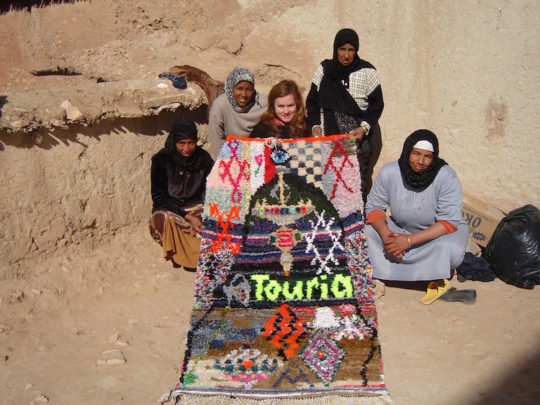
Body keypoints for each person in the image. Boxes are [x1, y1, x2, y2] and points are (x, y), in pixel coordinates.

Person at [365, 129, 469, 305]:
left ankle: (388, 270)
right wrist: (387, 236)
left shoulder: (446, 176)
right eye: (416, 154)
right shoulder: (390, 171)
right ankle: (430, 271)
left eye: (427, 156)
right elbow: (374, 208)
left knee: (452, 250)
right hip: (398, 229)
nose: (421, 161)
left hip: (434, 235)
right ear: (407, 152)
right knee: (364, 232)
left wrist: (408, 241)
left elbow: (448, 222)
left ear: (434, 157)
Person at [306, 28, 384, 202]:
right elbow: (312, 102)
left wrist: (363, 128)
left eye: (350, 50)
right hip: (327, 140)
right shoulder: (324, 69)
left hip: (354, 141)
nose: (346, 55)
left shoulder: (368, 72)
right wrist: (316, 126)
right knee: (326, 188)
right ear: (335, 49)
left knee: (352, 188)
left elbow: (377, 106)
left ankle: (354, 227)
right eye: (342, 49)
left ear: (356, 50)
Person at [149, 117, 214, 270]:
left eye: (191, 142)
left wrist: (204, 212)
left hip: (196, 206)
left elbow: (211, 189)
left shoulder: (203, 159)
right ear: (174, 141)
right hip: (171, 209)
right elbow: (159, 198)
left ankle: (193, 248)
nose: (187, 148)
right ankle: (194, 254)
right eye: (181, 143)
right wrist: (187, 217)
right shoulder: (161, 160)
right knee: (162, 220)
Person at [207, 66, 267, 158]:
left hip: (257, 154)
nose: (244, 95)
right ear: (231, 88)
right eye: (239, 88)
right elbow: (218, 142)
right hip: (229, 154)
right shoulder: (220, 106)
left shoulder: (262, 104)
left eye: (249, 89)